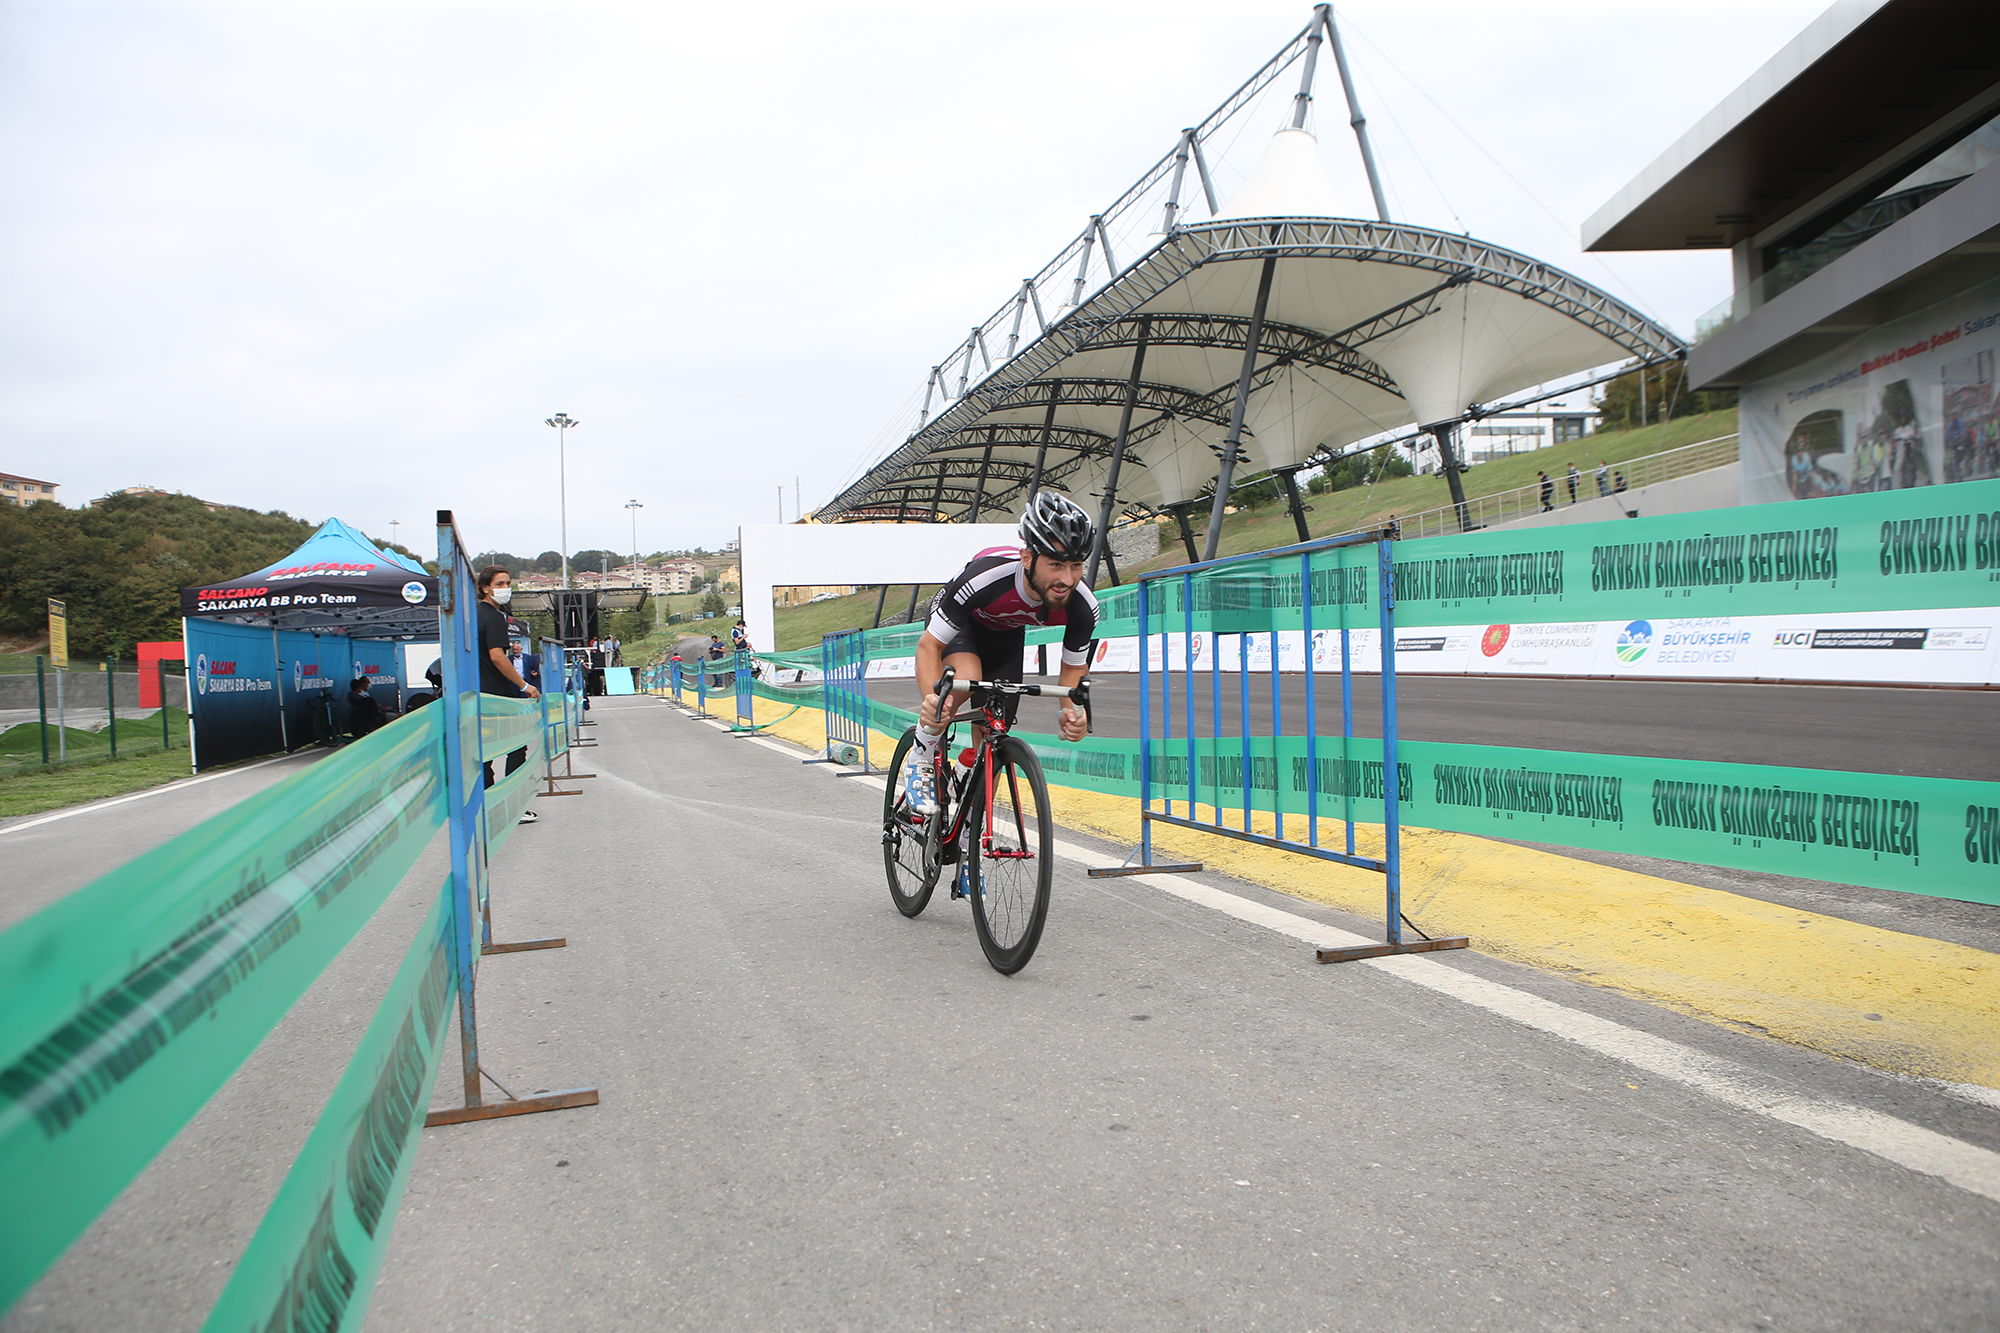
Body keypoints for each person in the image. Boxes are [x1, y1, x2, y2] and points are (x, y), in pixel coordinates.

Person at [902, 491, 1096, 816]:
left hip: (1004, 636)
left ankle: (968, 826)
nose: (1067, 578)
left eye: (1076, 565)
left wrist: (1072, 712)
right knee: (963, 682)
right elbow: (929, 646)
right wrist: (933, 707)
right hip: (963, 625)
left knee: (995, 731)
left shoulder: (1083, 606)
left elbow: (1073, 670)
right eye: (1055, 565)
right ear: (1027, 558)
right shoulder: (987, 578)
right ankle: (922, 755)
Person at [476, 566, 539, 825]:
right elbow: (497, 657)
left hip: (476, 694)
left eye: (508, 583)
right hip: (497, 694)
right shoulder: (494, 618)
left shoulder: (470, 616)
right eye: (500, 584)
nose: (505, 588)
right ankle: (511, 804)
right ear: (485, 588)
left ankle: (487, 805)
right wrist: (525, 686)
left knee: (484, 754)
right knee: (516, 746)